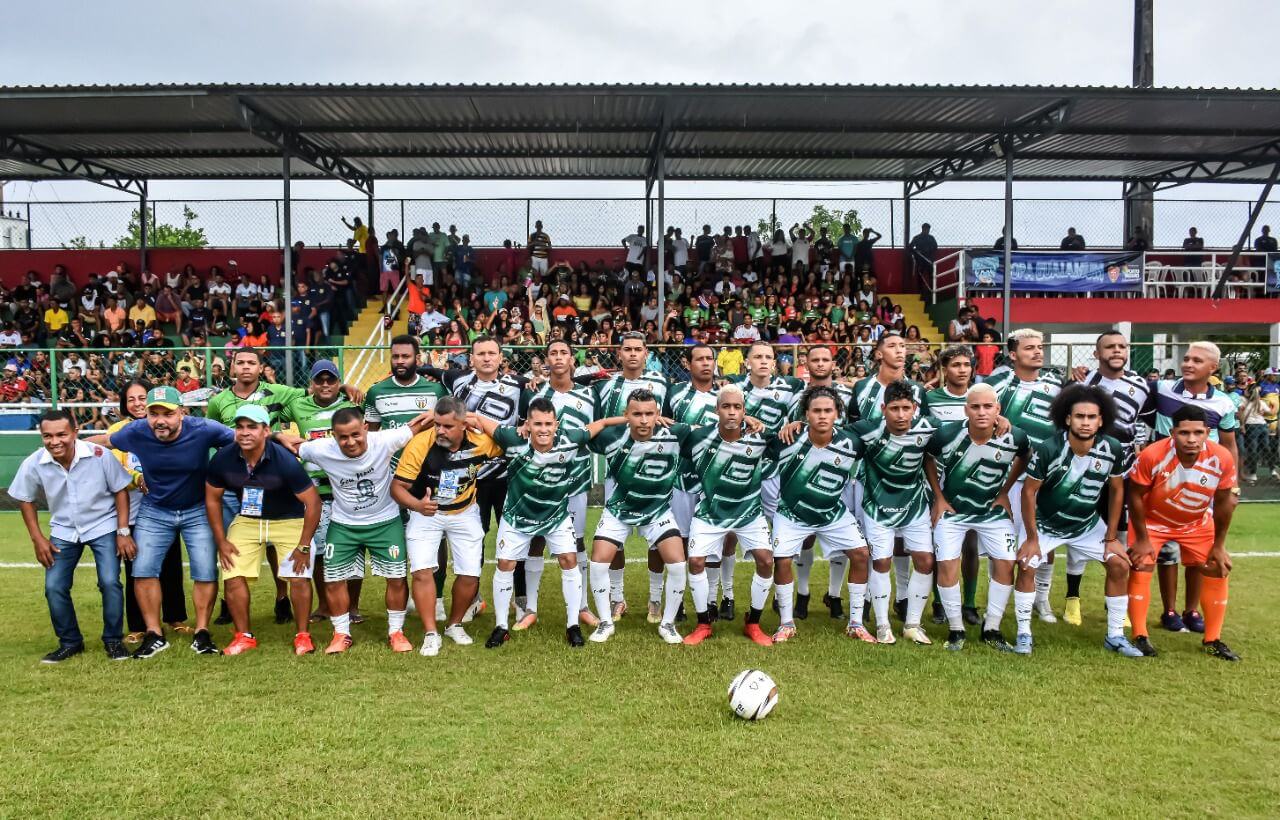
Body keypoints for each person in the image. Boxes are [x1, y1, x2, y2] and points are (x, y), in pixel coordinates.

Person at [85, 386, 237, 659]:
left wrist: (279, 439)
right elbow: (106, 441)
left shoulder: (204, 429)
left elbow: (243, 438)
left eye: (166, 413)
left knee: (205, 571)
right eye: (153, 413)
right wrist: (72, 443)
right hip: (156, 510)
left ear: (181, 412)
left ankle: (202, 632)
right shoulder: (137, 431)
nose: (159, 420)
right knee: (143, 570)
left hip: (198, 509)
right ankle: (154, 633)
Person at [479, 397, 622, 649]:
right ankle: (501, 626)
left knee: (569, 560)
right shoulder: (513, 439)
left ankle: (572, 625)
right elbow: (477, 419)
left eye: (548, 423)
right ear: (528, 425)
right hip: (517, 516)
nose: (543, 429)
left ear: (556, 424)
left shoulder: (570, 439)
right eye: (537, 424)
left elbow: (602, 423)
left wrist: (634, 418)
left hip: (555, 515)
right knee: (505, 564)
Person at [1014, 385, 1140, 657]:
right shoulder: (1049, 448)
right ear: (1068, 419)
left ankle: (1116, 636)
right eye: (1079, 416)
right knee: (1026, 565)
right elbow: (1029, 491)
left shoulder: (1113, 448)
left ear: (1101, 419)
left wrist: (1111, 538)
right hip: (1047, 525)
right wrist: (1033, 539)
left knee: (1118, 565)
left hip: (1086, 525)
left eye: (1091, 417)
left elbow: (1118, 489)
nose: (1085, 422)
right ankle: (1023, 633)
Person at [296, 407, 433, 654]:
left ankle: (396, 632)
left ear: (366, 428)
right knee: (334, 579)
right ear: (334, 436)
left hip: (385, 522)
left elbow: (417, 426)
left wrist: (435, 412)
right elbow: (295, 445)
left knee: (396, 577)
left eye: (356, 434)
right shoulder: (321, 449)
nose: (350, 442)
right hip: (344, 524)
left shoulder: (385, 440)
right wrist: (273, 436)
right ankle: (341, 634)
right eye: (343, 437)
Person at [10, 410, 135, 663]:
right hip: (64, 530)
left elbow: (121, 491)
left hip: (103, 525)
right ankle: (70, 642)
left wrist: (123, 532)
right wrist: (38, 538)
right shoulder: (35, 462)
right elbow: (25, 498)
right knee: (54, 586)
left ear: (75, 432)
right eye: (47, 436)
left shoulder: (99, 456)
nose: (54, 441)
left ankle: (113, 640)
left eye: (61, 434)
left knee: (110, 582)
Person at [204, 405, 322, 656]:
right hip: (248, 519)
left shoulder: (284, 460)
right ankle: (244, 636)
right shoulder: (223, 457)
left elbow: (313, 503)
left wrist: (303, 546)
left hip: (289, 519)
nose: (244, 433)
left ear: (266, 430)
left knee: (299, 575)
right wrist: (221, 540)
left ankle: (303, 635)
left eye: (252, 427)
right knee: (232, 571)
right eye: (240, 427)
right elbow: (212, 499)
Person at [1127, 405, 1240, 660]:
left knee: (1216, 568)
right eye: (1184, 433)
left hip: (1196, 523)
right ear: (1173, 432)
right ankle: (1140, 635)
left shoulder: (1221, 457)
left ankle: (1213, 640)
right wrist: (1143, 540)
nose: (1191, 439)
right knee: (1141, 565)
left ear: (1207, 432)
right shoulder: (1152, 455)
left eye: (1198, 433)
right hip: (1152, 521)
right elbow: (1134, 495)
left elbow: (1224, 503)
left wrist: (1219, 546)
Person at [390, 397, 503, 654]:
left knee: (470, 573)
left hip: (465, 512)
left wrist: (479, 419)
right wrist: (417, 506)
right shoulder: (421, 444)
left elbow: (509, 439)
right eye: (437, 424)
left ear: (463, 425)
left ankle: (453, 625)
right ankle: (431, 632)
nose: (440, 431)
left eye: (447, 426)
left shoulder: (481, 442)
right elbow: (397, 488)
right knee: (421, 571)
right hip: (426, 513)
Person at [925, 383, 1029, 651]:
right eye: (975, 407)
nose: (981, 412)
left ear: (998, 409)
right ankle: (956, 629)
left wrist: (1005, 491)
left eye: (988, 406)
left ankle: (991, 628)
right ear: (966, 409)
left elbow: (1024, 456)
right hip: (954, 511)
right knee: (947, 564)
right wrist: (939, 498)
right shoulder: (946, 434)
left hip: (991, 513)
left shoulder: (1015, 436)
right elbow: (928, 459)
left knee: (1006, 564)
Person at [586, 389, 694, 644]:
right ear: (626, 415)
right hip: (619, 511)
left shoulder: (674, 434)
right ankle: (605, 622)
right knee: (599, 562)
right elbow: (583, 432)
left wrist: (749, 421)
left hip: (657, 511)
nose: (644, 420)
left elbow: (710, 429)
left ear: (658, 414)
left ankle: (667, 624)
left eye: (649, 414)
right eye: (637, 414)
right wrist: (606, 421)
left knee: (678, 564)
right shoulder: (612, 436)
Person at [1145, 340, 1239, 633]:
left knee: (1200, 551)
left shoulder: (1224, 402)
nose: (1188, 364)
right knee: (1168, 550)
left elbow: (1229, 445)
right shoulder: (1160, 390)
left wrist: (1231, 487)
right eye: (1186, 358)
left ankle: (1192, 611)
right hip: (1164, 483)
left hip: (1204, 486)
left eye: (1197, 360)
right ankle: (1169, 610)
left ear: (1213, 368)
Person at [1064, 331, 1152, 626]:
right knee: (1080, 528)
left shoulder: (1141, 385)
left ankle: (1115, 601)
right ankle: (1072, 599)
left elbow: (1146, 422)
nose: (1117, 351)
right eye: (1110, 347)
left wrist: (1140, 450)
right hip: (1088, 469)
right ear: (1096, 353)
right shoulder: (1082, 383)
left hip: (1124, 470)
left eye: (1121, 346)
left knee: (1122, 533)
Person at [771, 387, 870, 640]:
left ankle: (856, 623)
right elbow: (754, 441)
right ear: (806, 414)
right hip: (792, 513)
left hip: (831, 512)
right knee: (781, 560)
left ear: (837, 413)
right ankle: (786, 623)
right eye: (817, 411)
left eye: (828, 410)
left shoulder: (853, 443)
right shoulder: (788, 439)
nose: (823, 416)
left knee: (861, 555)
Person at [681, 385, 777, 646]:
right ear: (717, 410)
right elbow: (673, 440)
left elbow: (786, 440)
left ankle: (753, 623)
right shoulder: (699, 437)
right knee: (697, 561)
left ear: (745, 411)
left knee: (766, 561)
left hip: (748, 513)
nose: (731, 412)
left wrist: (762, 424)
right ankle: (703, 624)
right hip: (710, 513)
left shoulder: (759, 439)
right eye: (726, 407)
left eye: (737, 407)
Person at [985, 328, 1063, 623]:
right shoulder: (998, 384)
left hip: (1046, 477)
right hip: (1006, 478)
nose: (1038, 352)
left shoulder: (1056, 384)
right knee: (1003, 543)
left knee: (1044, 539)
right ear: (1013, 354)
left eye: (1040, 347)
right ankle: (1001, 601)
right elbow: (978, 413)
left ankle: (1041, 600)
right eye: (1030, 348)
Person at [851, 380, 936, 645]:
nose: (901, 415)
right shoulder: (866, 430)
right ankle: (882, 624)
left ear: (915, 408)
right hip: (877, 505)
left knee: (925, 561)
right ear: (883, 408)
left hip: (915, 504)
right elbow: (830, 432)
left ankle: (912, 623)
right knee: (881, 562)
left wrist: (1000, 420)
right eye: (895, 408)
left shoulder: (929, 427)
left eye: (906, 408)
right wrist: (797, 424)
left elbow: (967, 428)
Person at [281, 360, 360, 623]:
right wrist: (280, 437)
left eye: (331, 380)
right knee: (320, 549)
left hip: (348, 484)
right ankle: (326, 604)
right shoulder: (298, 404)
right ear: (311, 384)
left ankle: (352, 607)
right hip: (314, 488)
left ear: (339, 382)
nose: (325, 385)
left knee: (354, 546)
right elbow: (271, 414)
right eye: (320, 380)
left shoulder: (351, 404)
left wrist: (349, 388)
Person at [532, 340, 604, 627]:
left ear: (573, 359)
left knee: (576, 542)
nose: (559, 357)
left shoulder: (588, 396)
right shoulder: (536, 394)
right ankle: (530, 608)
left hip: (575, 481)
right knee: (535, 540)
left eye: (564, 353)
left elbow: (596, 433)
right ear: (547, 359)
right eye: (553, 353)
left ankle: (583, 606)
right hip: (540, 483)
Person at [110, 381, 189, 645]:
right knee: (136, 567)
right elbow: (114, 469)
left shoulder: (167, 428)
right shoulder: (119, 432)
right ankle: (139, 624)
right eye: (130, 399)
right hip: (132, 511)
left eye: (142, 397)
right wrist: (136, 478)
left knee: (170, 565)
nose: (136, 404)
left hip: (165, 507)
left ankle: (175, 618)